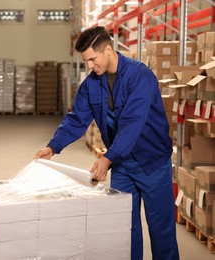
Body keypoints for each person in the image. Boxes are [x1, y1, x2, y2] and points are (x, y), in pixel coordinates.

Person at [34, 26, 179, 260]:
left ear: (108, 50)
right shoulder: (92, 84)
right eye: (86, 61)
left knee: (161, 231)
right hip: (122, 164)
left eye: (92, 59)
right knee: (125, 230)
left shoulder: (139, 76)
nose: (90, 66)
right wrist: (53, 147)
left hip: (151, 162)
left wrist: (108, 157)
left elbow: (133, 123)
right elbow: (76, 119)